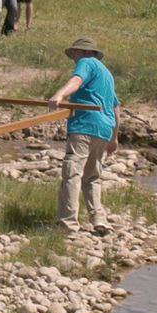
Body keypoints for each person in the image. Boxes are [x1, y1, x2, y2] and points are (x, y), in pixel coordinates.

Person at [51, 37, 120, 235]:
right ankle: (99, 220)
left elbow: (76, 80)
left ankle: (68, 225)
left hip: (85, 125)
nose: (73, 58)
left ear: (81, 52)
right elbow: (116, 108)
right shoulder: (107, 74)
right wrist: (114, 138)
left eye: (74, 54)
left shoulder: (86, 63)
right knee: (92, 176)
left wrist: (59, 95)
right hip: (105, 129)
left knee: (72, 173)